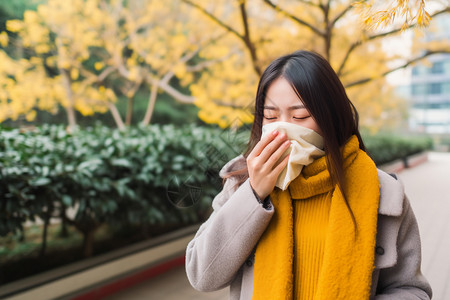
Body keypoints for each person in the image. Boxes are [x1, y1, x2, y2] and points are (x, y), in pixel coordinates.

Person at [185, 50, 432, 299]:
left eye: (299, 116)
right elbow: (201, 276)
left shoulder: (382, 194)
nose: (283, 128)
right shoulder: (241, 183)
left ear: (331, 118)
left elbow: (412, 290)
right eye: (271, 116)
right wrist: (253, 194)